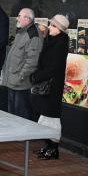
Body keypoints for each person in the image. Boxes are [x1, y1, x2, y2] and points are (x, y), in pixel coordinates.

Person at [30, 14, 70, 160]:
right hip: (46, 83)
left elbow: (54, 67)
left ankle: (54, 148)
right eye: (50, 24)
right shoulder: (51, 40)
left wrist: (37, 76)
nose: (50, 27)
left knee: (52, 117)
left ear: (60, 29)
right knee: (45, 116)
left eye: (53, 26)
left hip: (52, 85)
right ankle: (48, 145)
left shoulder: (61, 43)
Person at [4, 8, 43, 119]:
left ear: (27, 19)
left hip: (21, 83)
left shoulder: (33, 35)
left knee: (21, 116)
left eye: (19, 15)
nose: (17, 18)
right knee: (12, 115)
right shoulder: (22, 31)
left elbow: (32, 61)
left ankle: (21, 136)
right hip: (13, 80)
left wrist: (21, 76)